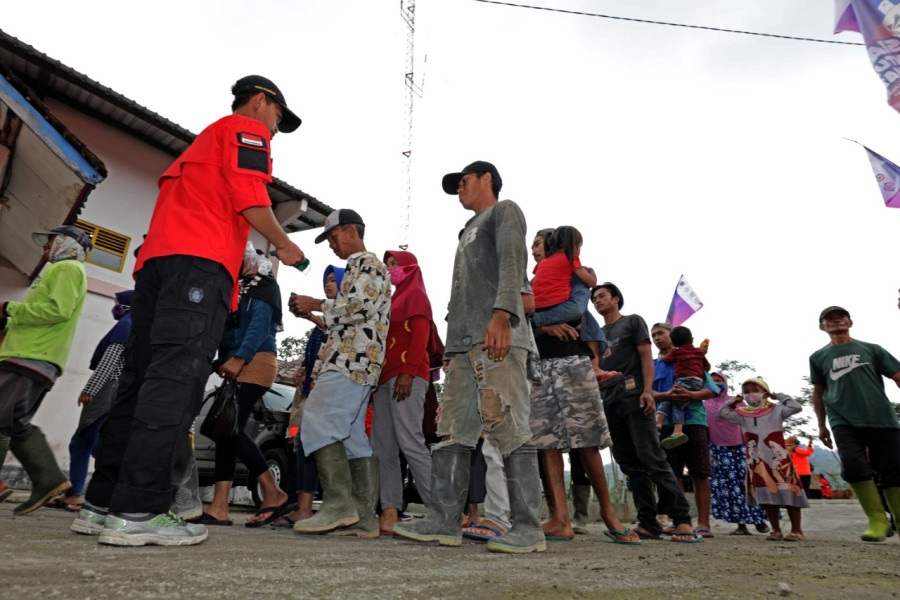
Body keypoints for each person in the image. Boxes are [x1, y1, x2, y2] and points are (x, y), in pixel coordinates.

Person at [75, 75, 305, 547]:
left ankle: (102, 503)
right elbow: (249, 195)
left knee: (137, 383)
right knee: (174, 384)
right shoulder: (247, 130)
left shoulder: (203, 143)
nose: (276, 129)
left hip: (157, 268)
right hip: (198, 269)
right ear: (261, 102)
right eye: (279, 117)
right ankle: (138, 510)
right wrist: (284, 245)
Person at [393, 160, 545, 554]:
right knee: (452, 433)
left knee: (508, 424)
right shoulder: (466, 232)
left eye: (464, 180)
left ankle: (529, 528)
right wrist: (451, 348)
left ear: (487, 179)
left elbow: (514, 265)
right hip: (463, 347)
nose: (459, 187)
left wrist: (502, 317)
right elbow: (461, 295)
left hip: (497, 338)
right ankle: (444, 520)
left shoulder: (504, 211)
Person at [529, 233, 640, 545]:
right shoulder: (528, 281)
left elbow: (575, 309)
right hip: (539, 365)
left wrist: (534, 319)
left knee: (587, 440)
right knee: (546, 442)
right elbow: (516, 321)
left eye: (541, 241)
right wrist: (542, 326)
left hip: (574, 361)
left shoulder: (575, 275)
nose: (537, 247)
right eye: (534, 243)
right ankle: (560, 519)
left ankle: (609, 515)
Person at [288, 209, 391, 538]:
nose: (331, 244)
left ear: (351, 231)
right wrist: (315, 316)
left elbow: (360, 307)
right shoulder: (355, 269)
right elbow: (354, 321)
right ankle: (363, 518)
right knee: (352, 439)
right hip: (355, 359)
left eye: (333, 237)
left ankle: (338, 505)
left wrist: (316, 303)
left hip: (352, 361)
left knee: (317, 418)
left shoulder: (369, 264)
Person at [591, 283, 700, 542]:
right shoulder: (595, 332)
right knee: (629, 464)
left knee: (651, 457)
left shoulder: (632, 322)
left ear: (616, 298)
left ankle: (682, 520)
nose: (597, 301)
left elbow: (645, 357)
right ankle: (649, 522)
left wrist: (648, 392)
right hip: (609, 402)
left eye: (602, 296)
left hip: (635, 397)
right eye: (593, 298)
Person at [0, 225, 91, 515]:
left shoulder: (67, 269)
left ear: (66, 243)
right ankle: (48, 480)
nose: (44, 247)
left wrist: (10, 308)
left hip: (30, 356)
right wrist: (9, 322)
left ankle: (43, 480)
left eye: (50, 241)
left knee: (7, 421)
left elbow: (57, 310)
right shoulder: (63, 271)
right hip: (34, 356)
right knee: (14, 424)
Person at [197, 245, 290, 527]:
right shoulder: (241, 289)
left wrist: (238, 358)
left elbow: (259, 326)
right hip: (240, 362)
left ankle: (273, 492)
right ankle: (219, 506)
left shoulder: (265, 286)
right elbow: (231, 330)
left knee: (231, 429)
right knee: (225, 431)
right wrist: (221, 359)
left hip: (257, 360)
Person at [810, 305, 900, 542]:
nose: (837, 321)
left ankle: (898, 520)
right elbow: (818, 392)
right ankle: (878, 521)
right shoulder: (818, 357)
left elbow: (898, 375)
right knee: (852, 466)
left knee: (893, 470)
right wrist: (821, 426)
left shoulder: (872, 349)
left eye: (841, 317)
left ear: (850, 322)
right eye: (830, 319)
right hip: (843, 420)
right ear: (822, 327)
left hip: (881, 418)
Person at [50, 290, 135, 513]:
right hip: (118, 391)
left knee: (86, 441)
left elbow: (110, 360)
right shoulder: (134, 324)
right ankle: (78, 493)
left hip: (108, 390)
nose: (114, 306)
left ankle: (80, 494)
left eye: (117, 302)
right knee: (94, 442)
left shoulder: (126, 324)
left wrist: (90, 389)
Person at [371, 250, 438, 534]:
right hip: (386, 378)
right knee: (382, 447)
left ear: (411, 267)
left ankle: (443, 510)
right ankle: (389, 512)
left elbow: (420, 337)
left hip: (408, 375)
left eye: (395, 264)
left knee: (411, 442)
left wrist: (409, 372)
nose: (390, 269)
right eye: (387, 265)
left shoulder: (417, 296)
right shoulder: (391, 299)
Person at [280, 264, 345, 526]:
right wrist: (303, 370)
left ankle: (315, 508)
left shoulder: (343, 314)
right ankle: (303, 507)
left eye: (333, 280)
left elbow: (337, 341)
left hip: (332, 391)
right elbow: (314, 354)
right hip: (312, 391)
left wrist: (313, 316)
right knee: (302, 443)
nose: (328, 284)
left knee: (314, 444)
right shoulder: (324, 320)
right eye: (326, 280)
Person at [719, 377, 808, 541]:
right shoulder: (741, 415)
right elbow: (722, 413)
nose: (751, 395)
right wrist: (734, 401)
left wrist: (777, 396)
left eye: (755, 391)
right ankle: (776, 530)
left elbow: (796, 407)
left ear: (764, 393)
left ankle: (797, 530)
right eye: (746, 392)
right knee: (767, 498)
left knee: (789, 494)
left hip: (779, 461)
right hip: (757, 462)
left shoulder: (776, 410)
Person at [650, 322, 716, 538]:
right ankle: (679, 520)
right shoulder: (652, 365)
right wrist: (667, 395)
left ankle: (703, 523)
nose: (657, 338)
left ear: (673, 337)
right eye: (653, 335)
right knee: (671, 473)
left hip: (695, 420)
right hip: (664, 424)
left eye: (661, 333)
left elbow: (711, 389)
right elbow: (647, 393)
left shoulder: (693, 359)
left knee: (700, 472)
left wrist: (691, 395)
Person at [703, 371, 769, 535]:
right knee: (731, 489)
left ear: (725, 383)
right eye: (713, 381)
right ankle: (741, 525)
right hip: (718, 451)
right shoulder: (704, 405)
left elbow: (751, 421)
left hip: (741, 448)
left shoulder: (737, 403)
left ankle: (760, 520)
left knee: (749, 484)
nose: (717, 383)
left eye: (720, 380)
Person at [656, 326, 710, 450]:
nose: (656, 338)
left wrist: (660, 356)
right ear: (692, 340)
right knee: (678, 405)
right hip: (697, 383)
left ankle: (658, 423)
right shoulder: (699, 352)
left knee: (669, 399)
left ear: (673, 343)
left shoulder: (676, 352)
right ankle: (677, 431)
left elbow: (666, 359)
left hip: (683, 382)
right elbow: (707, 367)